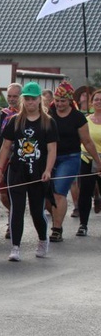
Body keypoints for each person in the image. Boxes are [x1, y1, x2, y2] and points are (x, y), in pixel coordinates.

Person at [0, 82, 57, 261]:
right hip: (17, 170)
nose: (30, 102)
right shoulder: (15, 120)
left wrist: (48, 170)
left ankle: (43, 240)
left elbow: (52, 149)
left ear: (39, 100)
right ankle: (15, 247)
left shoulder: (48, 122)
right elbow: (6, 147)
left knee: (37, 210)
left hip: (38, 171)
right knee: (17, 209)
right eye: (27, 99)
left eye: (33, 99)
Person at [47, 81, 101, 242]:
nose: (59, 104)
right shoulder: (49, 114)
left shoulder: (77, 117)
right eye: (57, 100)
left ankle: (57, 229)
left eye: (63, 101)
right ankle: (57, 217)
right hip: (51, 157)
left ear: (70, 101)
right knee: (45, 197)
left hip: (70, 157)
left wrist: (97, 161)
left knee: (59, 192)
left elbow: (87, 141)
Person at [0, 83, 23, 239]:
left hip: (22, 158)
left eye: (15, 96)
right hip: (5, 157)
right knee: (4, 195)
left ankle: (14, 223)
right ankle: (13, 213)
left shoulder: (28, 114)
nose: (12, 100)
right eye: (10, 96)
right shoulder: (2, 114)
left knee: (18, 192)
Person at [75, 88, 101, 236]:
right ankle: (83, 224)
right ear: (91, 102)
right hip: (86, 159)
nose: (99, 102)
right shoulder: (85, 120)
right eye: (96, 99)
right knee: (85, 192)